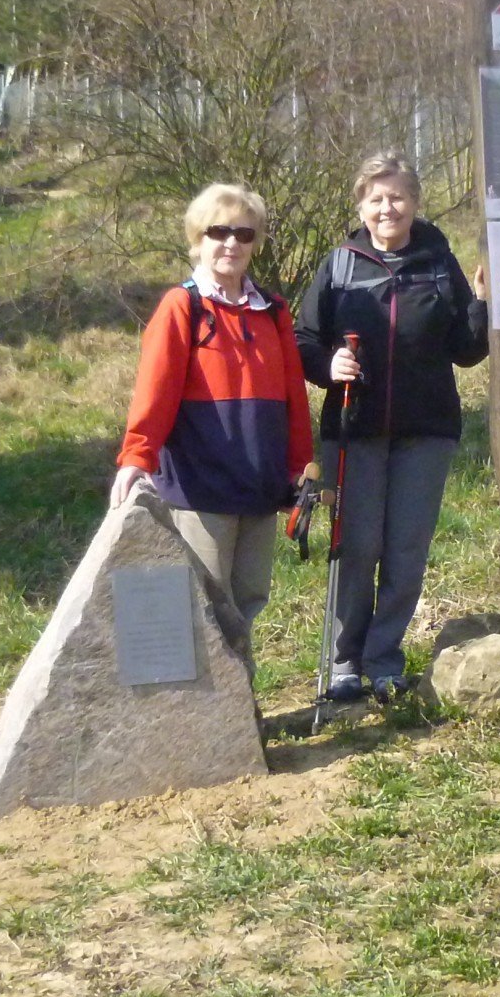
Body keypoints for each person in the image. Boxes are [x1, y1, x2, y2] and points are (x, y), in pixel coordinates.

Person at [295, 154, 489, 703]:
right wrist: (327, 365)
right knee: (356, 547)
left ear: (415, 203)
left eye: (398, 197)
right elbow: (305, 340)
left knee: (405, 551)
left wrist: (480, 306)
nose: (388, 208)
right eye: (377, 199)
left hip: (425, 431)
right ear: (360, 206)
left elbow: (466, 352)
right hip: (353, 430)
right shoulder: (339, 263)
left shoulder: (437, 259)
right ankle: (342, 663)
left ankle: (384, 659)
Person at [113, 184, 314, 679]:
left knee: (248, 603)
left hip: (261, 486)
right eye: (218, 231)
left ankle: (239, 715)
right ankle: (205, 727)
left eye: (243, 233)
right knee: (205, 607)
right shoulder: (182, 308)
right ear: (197, 240)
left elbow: (293, 399)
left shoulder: (274, 311)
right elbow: (154, 391)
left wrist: (303, 468)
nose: (231, 243)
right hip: (200, 490)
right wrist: (137, 457)